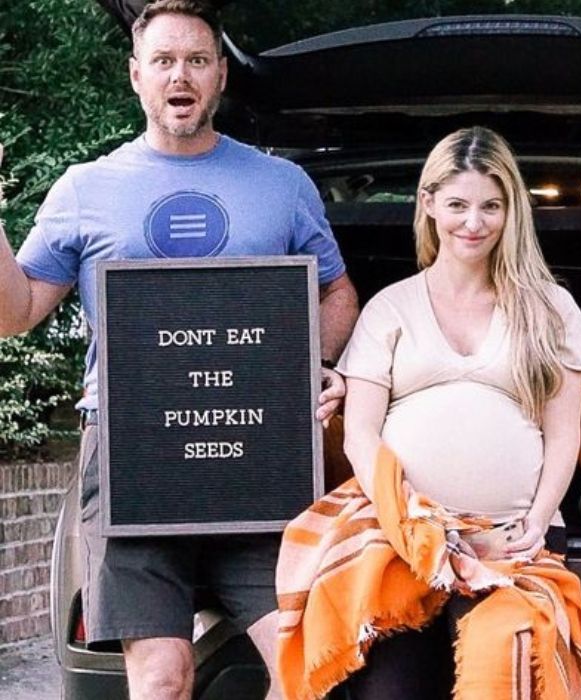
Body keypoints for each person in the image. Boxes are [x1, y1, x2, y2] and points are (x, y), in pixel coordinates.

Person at [0, 1, 358, 698]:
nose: (180, 75)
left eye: (196, 60)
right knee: (161, 678)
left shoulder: (281, 185)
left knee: (306, 670)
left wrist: (295, 370)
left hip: (258, 458)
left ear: (220, 75)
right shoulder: (85, 189)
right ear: (136, 76)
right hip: (136, 461)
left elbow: (336, 294)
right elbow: (15, 316)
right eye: (163, 61)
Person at [275, 126, 581, 700]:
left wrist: (536, 521)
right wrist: (427, 532)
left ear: (511, 211)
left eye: (490, 206)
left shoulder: (550, 307)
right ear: (428, 204)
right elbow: (359, 435)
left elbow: (563, 433)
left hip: (512, 543)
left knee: (503, 663)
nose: (473, 223)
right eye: (457, 204)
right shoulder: (391, 306)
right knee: (389, 688)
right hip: (398, 540)